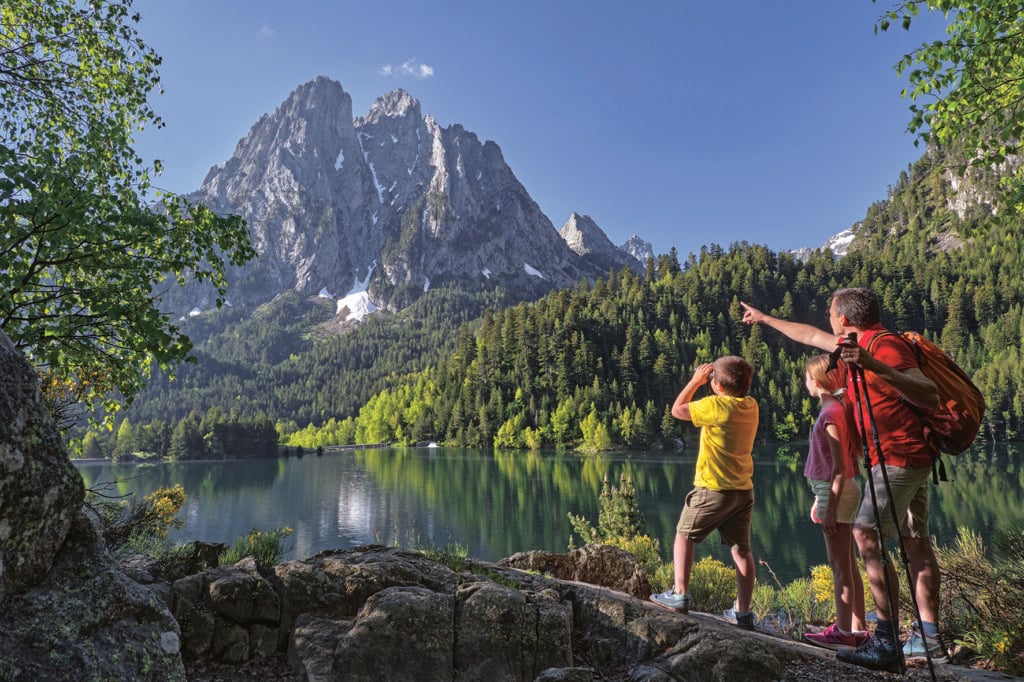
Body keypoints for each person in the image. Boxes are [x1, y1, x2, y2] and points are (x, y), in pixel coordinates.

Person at [741, 289, 945, 672]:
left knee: (866, 532)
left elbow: (929, 395)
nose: (828, 322)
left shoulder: (883, 346)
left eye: (831, 314)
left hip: (899, 458)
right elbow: (807, 335)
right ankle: (928, 637)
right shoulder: (854, 344)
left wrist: (875, 366)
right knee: (915, 541)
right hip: (911, 457)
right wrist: (765, 319)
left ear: (844, 318)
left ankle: (886, 640)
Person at [650, 355, 760, 630]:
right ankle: (743, 612)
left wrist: (695, 381)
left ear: (718, 387)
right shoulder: (750, 405)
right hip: (742, 491)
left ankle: (679, 594)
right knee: (742, 550)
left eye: (712, 380)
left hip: (713, 488)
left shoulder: (716, 406)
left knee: (684, 535)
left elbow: (678, 410)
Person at [800, 353, 868, 650]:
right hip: (833, 492)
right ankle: (858, 628)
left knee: (839, 565)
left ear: (816, 382)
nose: (805, 382)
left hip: (837, 493)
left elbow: (839, 468)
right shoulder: (838, 409)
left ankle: (843, 632)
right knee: (848, 564)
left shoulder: (830, 415)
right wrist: (821, 500)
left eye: (806, 378)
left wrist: (828, 509)